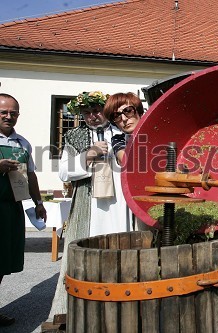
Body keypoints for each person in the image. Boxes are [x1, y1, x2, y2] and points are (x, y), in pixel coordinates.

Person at [48, 91, 135, 319]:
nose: (92, 116)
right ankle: (83, 308)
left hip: (120, 204)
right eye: (86, 113)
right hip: (90, 204)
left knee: (122, 249)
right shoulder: (74, 135)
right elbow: (64, 172)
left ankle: (123, 304)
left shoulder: (121, 130)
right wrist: (89, 154)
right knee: (88, 253)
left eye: (96, 111)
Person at [0, 93, 47, 326]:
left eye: (13, 113)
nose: (9, 117)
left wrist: (39, 203)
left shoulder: (23, 143)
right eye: (4, 113)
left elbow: (30, 175)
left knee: (3, 261)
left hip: (11, 209)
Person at [102, 92, 144, 165]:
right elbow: (126, 161)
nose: (124, 119)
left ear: (139, 112)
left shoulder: (157, 132)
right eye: (116, 116)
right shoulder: (118, 139)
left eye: (128, 111)